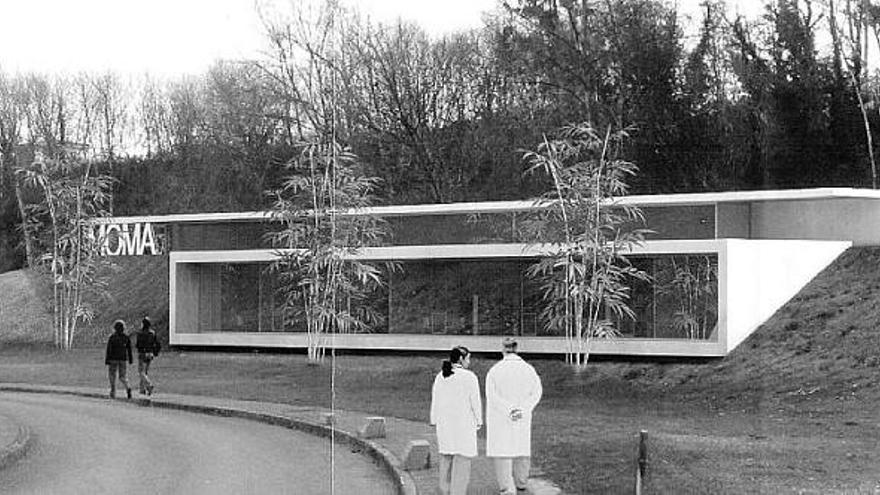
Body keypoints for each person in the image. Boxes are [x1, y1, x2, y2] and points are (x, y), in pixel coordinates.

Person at [486, 338, 543, 494]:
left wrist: (509, 410)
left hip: (502, 417)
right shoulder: (529, 369)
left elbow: (492, 396)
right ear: (517, 349)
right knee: (521, 448)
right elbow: (537, 392)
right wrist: (524, 409)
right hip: (523, 416)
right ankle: (521, 482)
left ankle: (506, 486)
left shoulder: (495, 370)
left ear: (503, 349)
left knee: (503, 450)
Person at [429, 346, 483, 495]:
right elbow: (475, 402)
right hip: (464, 423)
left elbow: (436, 400)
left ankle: (444, 489)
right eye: (468, 358)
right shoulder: (470, 377)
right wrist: (479, 420)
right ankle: (457, 491)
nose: (469, 361)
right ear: (461, 358)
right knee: (462, 459)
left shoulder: (441, 376)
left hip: (445, 423)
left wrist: (434, 419)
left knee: (446, 457)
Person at [105, 319, 133, 399]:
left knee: (112, 375)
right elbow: (129, 349)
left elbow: (109, 349)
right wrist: (130, 359)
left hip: (113, 359)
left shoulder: (112, 337)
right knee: (123, 376)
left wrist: (107, 360)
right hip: (123, 359)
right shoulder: (126, 337)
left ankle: (113, 392)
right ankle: (128, 387)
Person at [135, 316, 161, 396]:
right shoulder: (152, 333)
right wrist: (155, 352)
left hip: (142, 353)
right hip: (150, 353)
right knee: (145, 372)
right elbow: (157, 344)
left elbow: (138, 344)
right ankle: (142, 389)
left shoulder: (140, 333)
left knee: (141, 372)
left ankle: (149, 385)